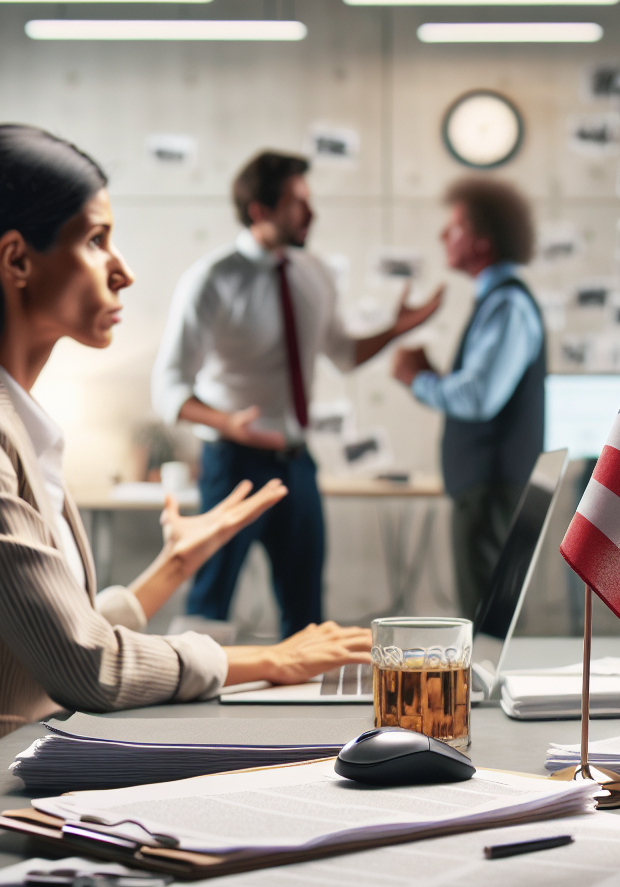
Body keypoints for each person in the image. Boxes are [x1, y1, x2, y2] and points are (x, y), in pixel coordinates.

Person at [0, 127, 371, 815]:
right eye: (95, 240)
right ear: (17, 261)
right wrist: (269, 660)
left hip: (10, 777)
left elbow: (40, 637)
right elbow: (84, 667)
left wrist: (165, 574)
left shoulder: (0, 415)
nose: (122, 270)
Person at [153, 152, 442, 635]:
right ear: (259, 211)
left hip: (296, 465)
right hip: (233, 463)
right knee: (209, 606)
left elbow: (344, 354)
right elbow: (167, 388)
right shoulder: (211, 280)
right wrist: (226, 422)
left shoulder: (315, 273)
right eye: (295, 203)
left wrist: (395, 329)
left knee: (306, 611)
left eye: (308, 201)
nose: (310, 214)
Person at [392, 178, 546, 623]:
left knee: (487, 615)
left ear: (484, 240)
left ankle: (486, 696)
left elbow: (479, 398)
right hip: (491, 484)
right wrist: (434, 376)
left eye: (455, 227)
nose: (443, 235)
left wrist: (417, 379)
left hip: (492, 486)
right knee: (488, 611)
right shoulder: (498, 301)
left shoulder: (506, 305)